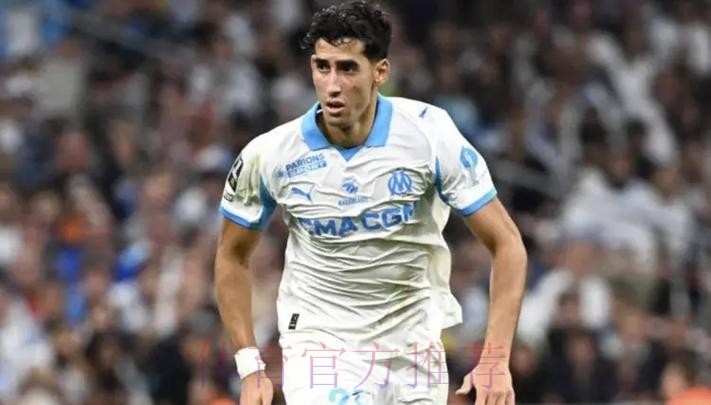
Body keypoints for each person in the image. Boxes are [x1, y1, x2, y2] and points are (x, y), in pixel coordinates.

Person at [213, 1, 527, 404]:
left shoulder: (429, 134)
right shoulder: (270, 154)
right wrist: (249, 366)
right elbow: (231, 255)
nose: (332, 84)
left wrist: (496, 360)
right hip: (322, 346)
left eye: (347, 68)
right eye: (322, 67)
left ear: (380, 72)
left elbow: (507, 244)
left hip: (414, 348)